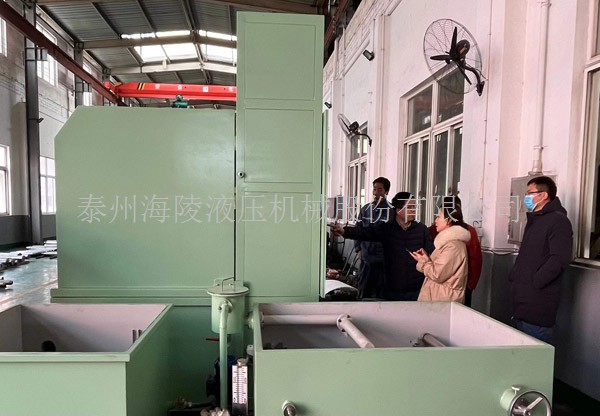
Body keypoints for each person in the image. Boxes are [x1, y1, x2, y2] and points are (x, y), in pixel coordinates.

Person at [331, 192, 434, 301]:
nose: (413, 210)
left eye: (414, 207)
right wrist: (344, 231)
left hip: (417, 288)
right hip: (393, 288)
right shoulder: (387, 229)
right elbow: (365, 233)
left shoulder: (421, 229)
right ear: (398, 210)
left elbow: (432, 252)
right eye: (409, 207)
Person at [508, 176, 573, 344]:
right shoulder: (535, 220)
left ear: (543, 195)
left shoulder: (558, 221)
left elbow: (559, 259)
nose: (526, 197)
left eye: (529, 193)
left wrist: (535, 282)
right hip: (523, 303)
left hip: (538, 304)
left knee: (535, 354)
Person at [410, 199, 470, 303]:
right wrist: (426, 258)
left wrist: (422, 262)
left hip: (442, 299)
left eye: (438, 217)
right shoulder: (448, 243)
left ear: (449, 220)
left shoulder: (453, 247)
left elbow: (437, 274)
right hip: (439, 296)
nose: (436, 221)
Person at [428, 195, 482, 307]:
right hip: (437, 285)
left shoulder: (468, 231)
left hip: (460, 283)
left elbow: (476, 260)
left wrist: (470, 285)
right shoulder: (434, 230)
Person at [353, 177, 392, 298]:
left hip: (384, 260)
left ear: (386, 192)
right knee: (363, 291)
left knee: (382, 293)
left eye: (380, 189)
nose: (376, 193)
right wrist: (358, 250)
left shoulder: (391, 211)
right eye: (374, 189)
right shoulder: (365, 210)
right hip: (366, 258)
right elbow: (357, 230)